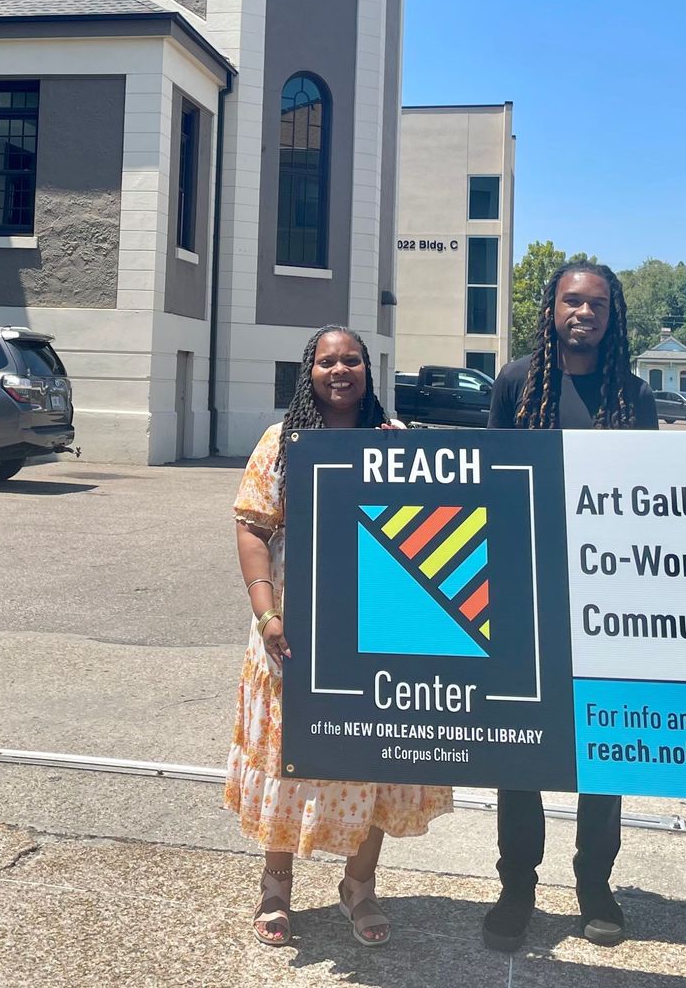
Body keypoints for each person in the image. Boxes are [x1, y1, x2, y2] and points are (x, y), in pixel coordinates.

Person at [226, 324, 453, 948]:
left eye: (352, 360)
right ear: (311, 371)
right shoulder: (281, 443)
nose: (340, 370)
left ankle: (359, 884)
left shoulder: (396, 442)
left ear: (367, 370)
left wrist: (407, 467)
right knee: (288, 756)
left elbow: (437, 522)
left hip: (379, 628)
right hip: (292, 630)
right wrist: (266, 613)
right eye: (328, 361)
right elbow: (252, 527)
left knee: (374, 754)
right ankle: (276, 884)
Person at [483, 259, 657, 951]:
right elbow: (489, 486)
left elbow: (650, 501)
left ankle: (594, 884)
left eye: (596, 305)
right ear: (552, 309)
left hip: (605, 594)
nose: (583, 313)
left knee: (602, 744)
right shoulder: (514, 382)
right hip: (526, 588)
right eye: (571, 301)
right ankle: (517, 886)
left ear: (612, 317)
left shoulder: (634, 395)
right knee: (518, 744)